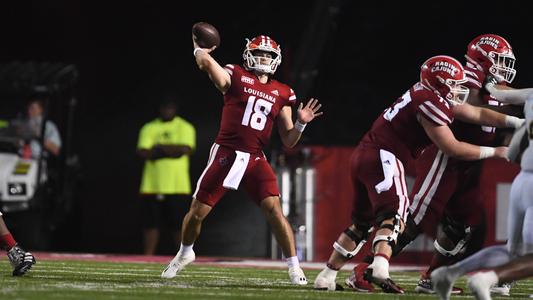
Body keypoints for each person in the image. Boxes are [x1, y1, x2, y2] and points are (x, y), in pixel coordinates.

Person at [314, 55, 512, 293]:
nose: (460, 89)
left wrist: (516, 122)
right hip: (384, 155)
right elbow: (452, 147)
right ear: (440, 83)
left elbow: (477, 114)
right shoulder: (429, 101)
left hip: (366, 153)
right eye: (455, 84)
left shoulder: (429, 94)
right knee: (395, 215)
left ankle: (326, 275)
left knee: (362, 223)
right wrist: (496, 151)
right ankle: (379, 270)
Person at [160, 34, 323, 285]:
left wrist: (301, 122)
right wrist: (199, 50)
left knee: (275, 212)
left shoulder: (283, 92)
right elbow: (207, 65)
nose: (263, 58)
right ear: (248, 54)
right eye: (259, 53)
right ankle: (185, 252)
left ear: (276, 59)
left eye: (268, 55)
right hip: (227, 153)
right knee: (197, 213)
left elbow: (289, 140)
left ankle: (293, 267)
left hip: (256, 159)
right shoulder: (235, 75)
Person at [431, 87, 533, 300]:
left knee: (513, 249)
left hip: (522, 180)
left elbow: (502, 96)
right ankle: (488, 279)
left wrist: (489, 86)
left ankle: (450, 273)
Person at [137, 98, 196, 255]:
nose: (167, 111)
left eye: (170, 108)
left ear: (175, 109)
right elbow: (143, 152)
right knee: (150, 224)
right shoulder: (149, 127)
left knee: (179, 225)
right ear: (160, 109)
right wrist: (172, 150)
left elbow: (185, 149)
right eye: (164, 108)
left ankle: (182, 256)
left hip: (177, 186)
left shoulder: (185, 127)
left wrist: (159, 148)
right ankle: (147, 257)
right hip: (151, 185)